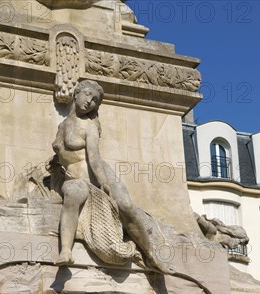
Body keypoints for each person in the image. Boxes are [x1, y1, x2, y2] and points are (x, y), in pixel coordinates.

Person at [52, 79, 174, 274]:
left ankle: (150, 254)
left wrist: (103, 182)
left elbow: (94, 157)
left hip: (98, 174)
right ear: (76, 93)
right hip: (74, 179)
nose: (89, 102)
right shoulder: (62, 125)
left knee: (125, 206)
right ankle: (66, 251)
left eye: (94, 101)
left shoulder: (89, 126)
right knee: (73, 193)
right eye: (87, 95)